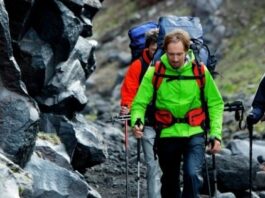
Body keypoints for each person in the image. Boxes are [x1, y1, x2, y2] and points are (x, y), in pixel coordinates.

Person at [131, 29, 224, 198]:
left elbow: (216, 103)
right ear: (165, 51)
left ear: (187, 51)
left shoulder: (200, 71)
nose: (175, 59)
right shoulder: (155, 71)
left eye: (179, 54)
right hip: (167, 133)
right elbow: (139, 103)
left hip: (194, 132)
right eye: (171, 54)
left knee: (192, 175)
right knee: (170, 181)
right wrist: (137, 121)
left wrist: (216, 134)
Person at [120, 29, 161, 198]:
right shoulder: (138, 66)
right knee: (153, 165)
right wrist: (128, 110)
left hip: (172, 124)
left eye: (159, 49)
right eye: (153, 49)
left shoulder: (171, 65)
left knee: (169, 167)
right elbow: (129, 94)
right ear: (147, 48)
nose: (156, 53)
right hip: (147, 123)